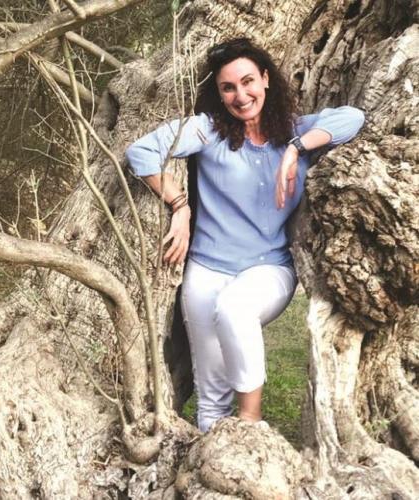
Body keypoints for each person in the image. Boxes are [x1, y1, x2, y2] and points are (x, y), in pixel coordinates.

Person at [125, 38, 365, 432]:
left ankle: (251, 424)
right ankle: (214, 454)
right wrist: (180, 206)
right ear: (219, 94)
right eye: (228, 87)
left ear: (266, 79)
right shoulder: (207, 131)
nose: (240, 95)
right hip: (206, 269)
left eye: (248, 81)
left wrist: (295, 149)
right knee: (211, 394)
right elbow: (141, 152)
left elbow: (353, 118)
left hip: (269, 267)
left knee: (235, 308)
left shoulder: (295, 131)